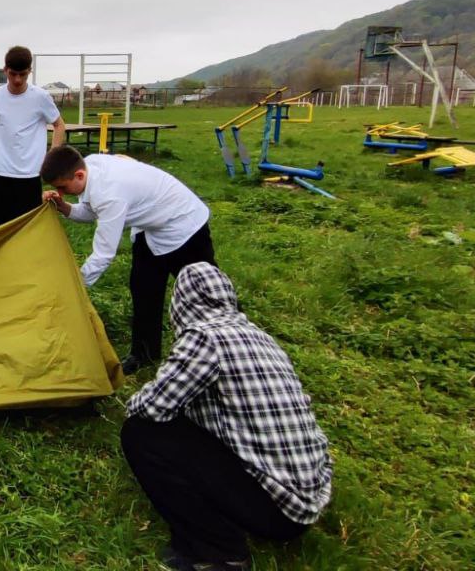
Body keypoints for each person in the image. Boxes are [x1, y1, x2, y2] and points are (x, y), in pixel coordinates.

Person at [121, 262, 332, 570]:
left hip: (276, 512)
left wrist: (135, 399)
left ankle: (220, 551)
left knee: (141, 433)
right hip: (307, 501)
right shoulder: (260, 336)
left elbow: (152, 407)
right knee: (181, 424)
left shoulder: (205, 338)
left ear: (181, 301)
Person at [40, 145, 215, 374]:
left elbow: (103, 253)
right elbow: (92, 210)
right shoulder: (91, 165)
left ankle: (233, 343)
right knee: (143, 289)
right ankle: (144, 353)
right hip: (151, 227)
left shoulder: (109, 194)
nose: (61, 192)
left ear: (79, 175)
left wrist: (76, 285)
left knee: (207, 292)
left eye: (62, 188)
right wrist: (64, 207)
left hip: (184, 226)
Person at [0, 45, 66, 226]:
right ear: (5, 71)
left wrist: (51, 157)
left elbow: (59, 125)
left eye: (23, 74)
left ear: (29, 72)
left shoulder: (41, 97)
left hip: (31, 174)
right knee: (2, 226)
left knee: (28, 227)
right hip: (2, 172)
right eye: (13, 74)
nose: (17, 80)